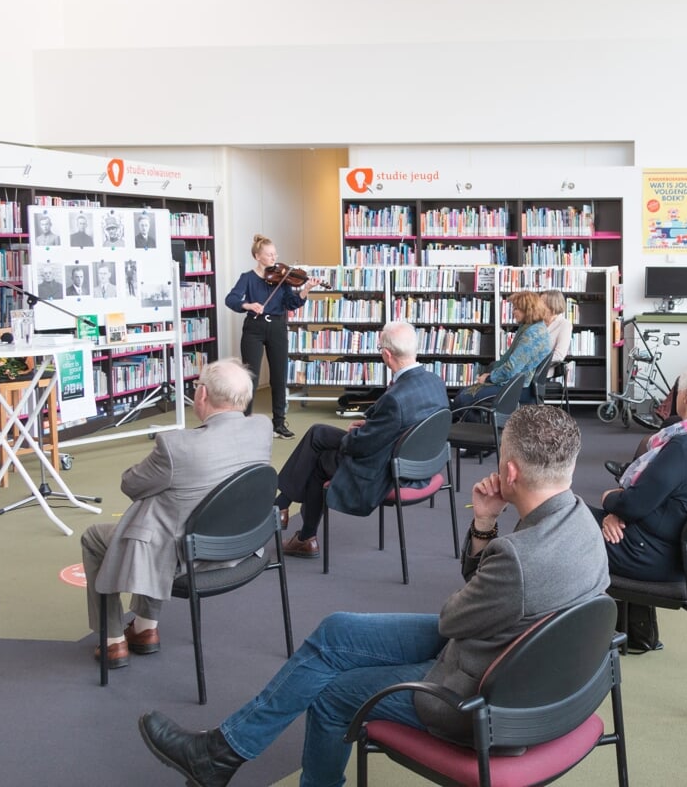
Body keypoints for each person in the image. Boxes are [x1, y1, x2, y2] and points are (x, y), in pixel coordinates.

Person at [138, 405, 610, 787]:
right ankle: (223, 751)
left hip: (479, 699)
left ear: (509, 471)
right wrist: (485, 525)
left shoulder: (519, 559)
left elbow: (453, 618)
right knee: (336, 631)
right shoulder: (583, 523)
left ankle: (224, 755)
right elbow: (495, 601)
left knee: (334, 693)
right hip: (528, 670)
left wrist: (485, 524)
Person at [79, 359, 273, 668]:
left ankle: (113, 639)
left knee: (96, 537)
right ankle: (144, 628)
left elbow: (131, 484)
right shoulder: (263, 428)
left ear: (202, 395)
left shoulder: (176, 446)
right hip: (242, 545)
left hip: (188, 556)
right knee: (163, 512)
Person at [596, 354, 687, 651]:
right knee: (591, 521)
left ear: (686, 394)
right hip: (684, 550)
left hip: (657, 557)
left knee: (569, 530)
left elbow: (633, 504)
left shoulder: (685, 446)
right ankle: (634, 631)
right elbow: (645, 502)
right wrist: (619, 511)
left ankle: (578, 638)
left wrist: (611, 502)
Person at [275, 321, 449, 558]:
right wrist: (373, 425)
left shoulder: (395, 399)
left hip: (386, 470)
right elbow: (410, 420)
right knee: (317, 434)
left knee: (319, 459)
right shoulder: (435, 381)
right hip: (419, 461)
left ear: (387, 355)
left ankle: (300, 530)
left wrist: (354, 435)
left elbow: (360, 446)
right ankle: (287, 511)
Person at [225, 234, 318, 439]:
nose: (274, 258)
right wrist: (248, 305)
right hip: (254, 328)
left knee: (279, 376)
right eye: (269, 255)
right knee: (251, 377)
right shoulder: (247, 278)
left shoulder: (282, 278)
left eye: (275, 254)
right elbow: (230, 299)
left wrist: (306, 290)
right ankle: (245, 421)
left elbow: (291, 303)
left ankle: (279, 423)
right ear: (257, 256)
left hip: (277, 326)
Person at [451, 290, 552, 410]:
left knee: (462, 399)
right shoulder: (532, 328)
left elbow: (512, 368)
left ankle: (467, 425)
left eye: (516, 309)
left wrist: (489, 378)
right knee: (463, 393)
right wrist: (491, 374)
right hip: (518, 384)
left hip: (519, 388)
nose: (513, 312)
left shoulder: (533, 334)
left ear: (528, 310)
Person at [541, 289, 573, 363]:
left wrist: (534, 362)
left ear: (552, 305)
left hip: (544, 371)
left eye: (542, 303)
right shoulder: (536, 323)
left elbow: (559, 356)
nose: (538, 306)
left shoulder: (564, 325)